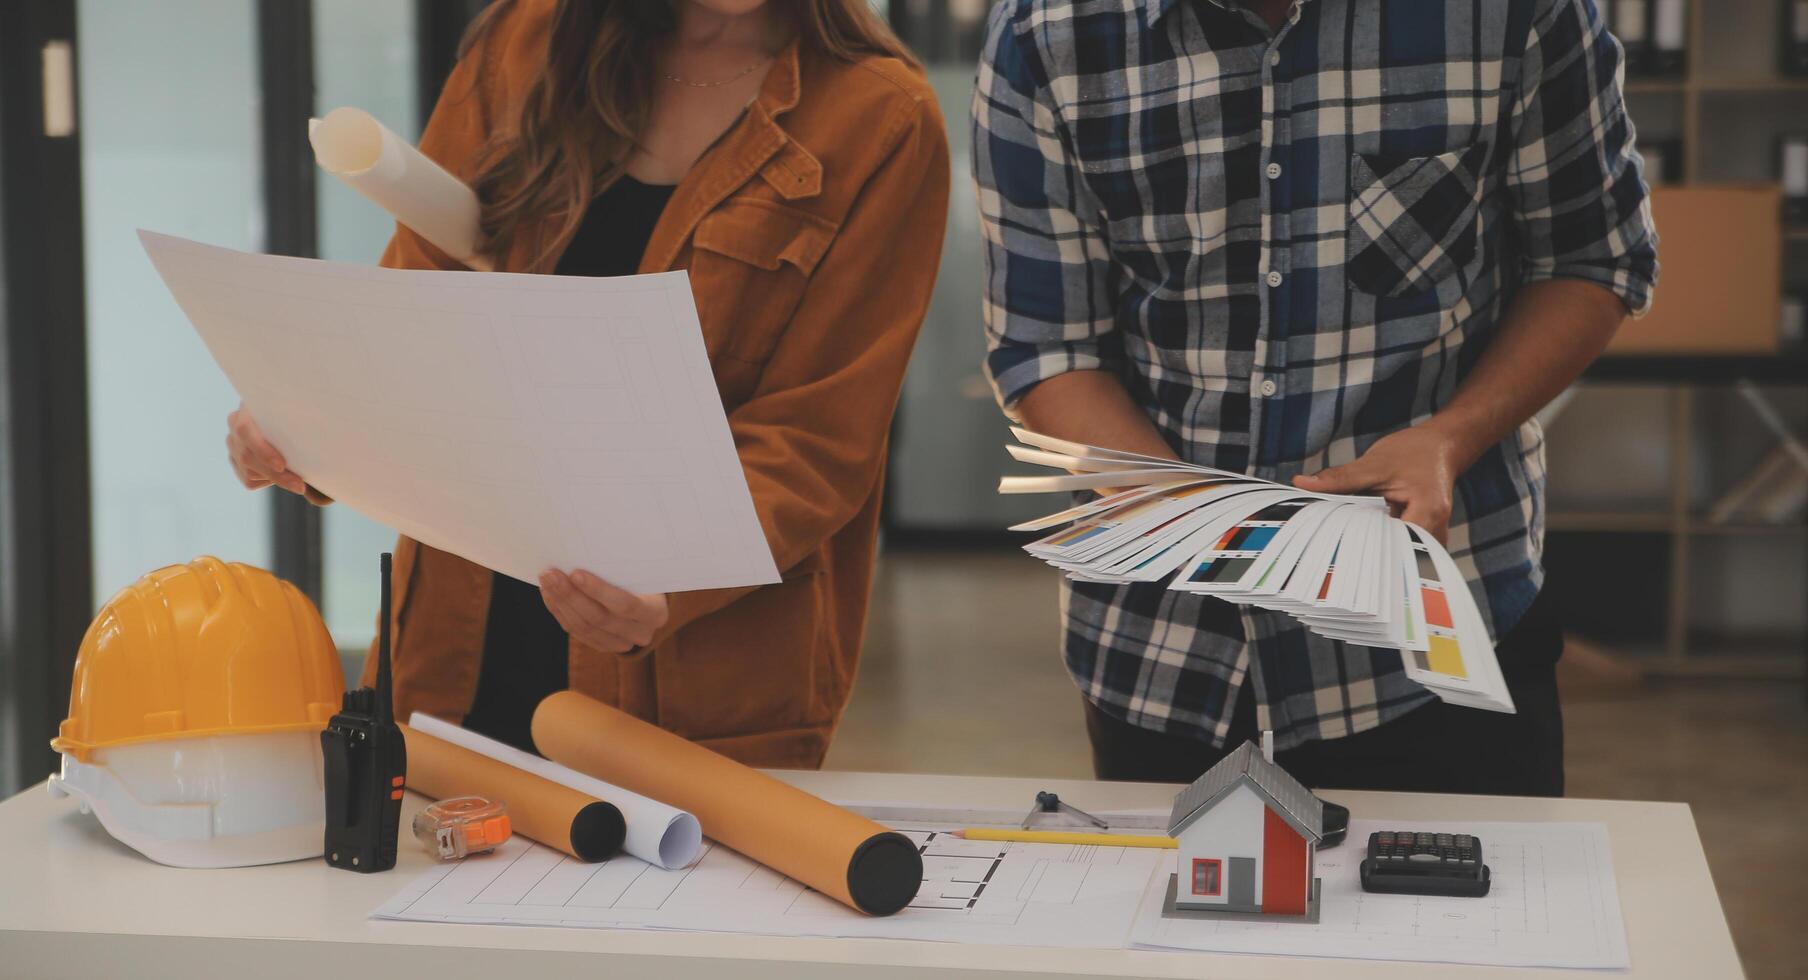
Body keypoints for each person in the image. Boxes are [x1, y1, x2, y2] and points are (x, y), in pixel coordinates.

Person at [226, 0, 949, 766]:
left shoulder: (880, 119)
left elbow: (816, 437)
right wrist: (302, 420)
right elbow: (414, 309)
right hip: (456, 649)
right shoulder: (524, 42)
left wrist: (670, 579)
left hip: (687, 673)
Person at [974, 0, 1656, 794]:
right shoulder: (1044, 30)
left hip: (1442, 647)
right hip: (1166, 656)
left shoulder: (1512, 14)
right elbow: (1048, 345)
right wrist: (1195, 527)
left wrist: (1450, 436)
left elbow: (1592, 260)